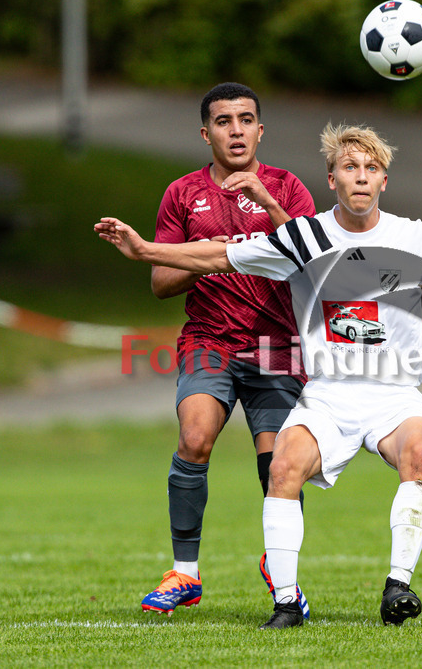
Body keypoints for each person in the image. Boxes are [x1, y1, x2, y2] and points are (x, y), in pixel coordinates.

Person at [94, 123, 422, 629]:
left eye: (370, 169)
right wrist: (146, 250)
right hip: (327, 396)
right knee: (282, 469)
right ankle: (286, 603)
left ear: (383, 182)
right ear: (331, 179)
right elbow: (220, 255)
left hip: (395, 396)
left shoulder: (413, 236)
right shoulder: (303, 235)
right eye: (349, 168)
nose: (360, 178)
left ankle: (398, 585)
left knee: (419, 451)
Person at [135, 82, 316, 617]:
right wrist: (220, 256)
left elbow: (311, 259)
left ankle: (280, 570)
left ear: (261, 130)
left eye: (245, 120)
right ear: (205, 133)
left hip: (277, 345)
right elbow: (162, 280)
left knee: (279, 466)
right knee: (194, 438)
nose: (235, 130)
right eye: (223, 121)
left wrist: (266, 210)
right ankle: (184, 575)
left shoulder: (286, 186)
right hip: (209, 342)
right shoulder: (182, 193)